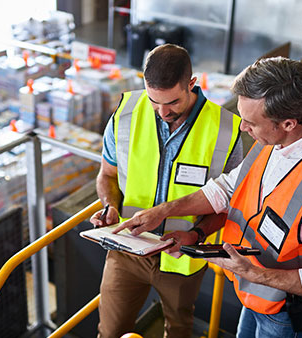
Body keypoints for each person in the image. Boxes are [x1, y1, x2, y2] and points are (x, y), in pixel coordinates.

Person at [114, 57, 302, 338]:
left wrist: (253, 272)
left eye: (250, 122)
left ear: (287, 123)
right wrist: (164, 212)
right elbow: (226, 188)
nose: (243, 128)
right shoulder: (276, 140)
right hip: (258, 298)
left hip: (292, 317)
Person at [89, 43, 243, 338]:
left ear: (191, 84)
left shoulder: (227, 130)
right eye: (153, 101)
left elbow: (231, 204)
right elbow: (107, 174)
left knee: (179, 331)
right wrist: (110, 206)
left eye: (172, 102)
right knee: (110, 333)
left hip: (182, 255)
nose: (162, 111)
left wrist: (197, 235)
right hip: (127, 249)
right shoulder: (126, 114)